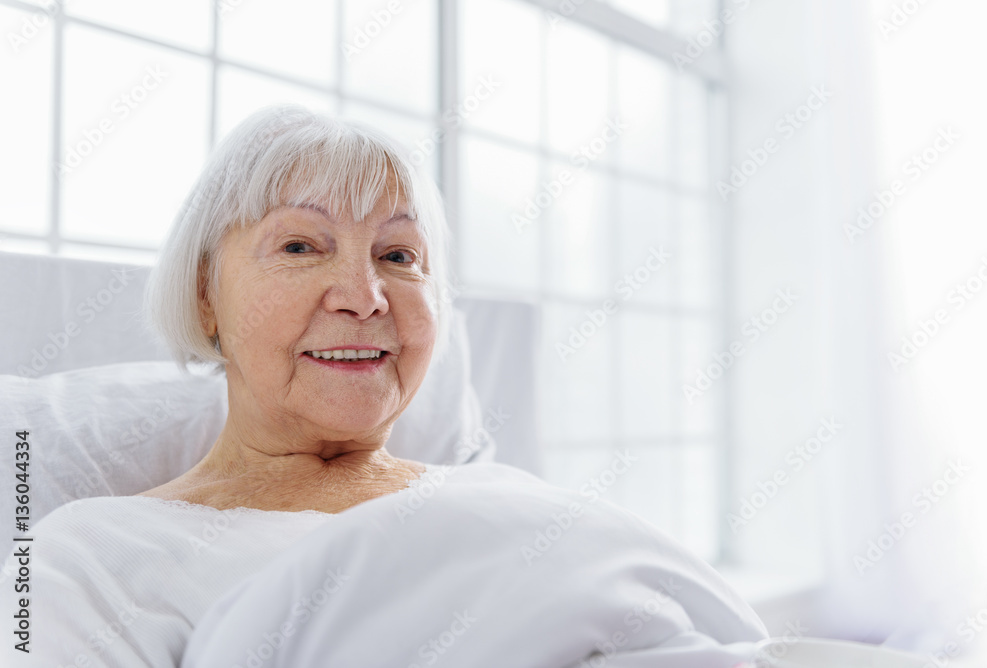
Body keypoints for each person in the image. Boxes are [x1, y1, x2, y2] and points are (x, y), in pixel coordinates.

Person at [1, 105, 768, 667]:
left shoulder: (507, 503)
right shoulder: (83, 557)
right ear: (206, 294)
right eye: (302, 245)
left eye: (400, 257)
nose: (365, 295)